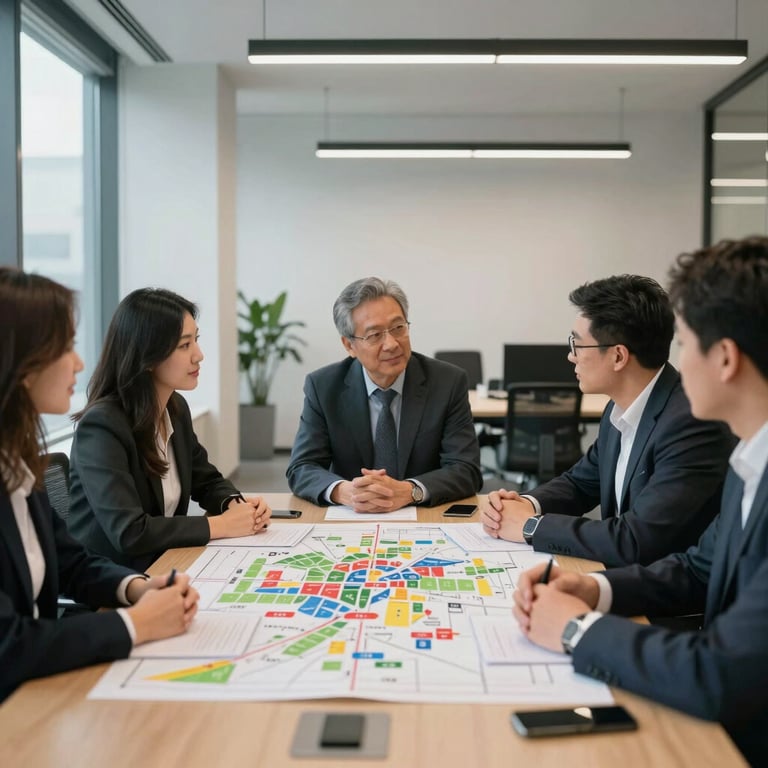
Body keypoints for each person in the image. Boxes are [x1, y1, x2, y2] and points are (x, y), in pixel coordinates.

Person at [512, 237, 768, 765]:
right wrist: (591, 589)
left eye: (687, 342)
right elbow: (699, 568)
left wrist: (574, 627)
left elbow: (720, 672)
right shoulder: (751, 461)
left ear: (724, 358)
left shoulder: (701, 431)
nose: (677, 362)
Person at [0, 268, 199, 701]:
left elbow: (70, 563)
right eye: (64, 347)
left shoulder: (15, 463)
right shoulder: (102, 422)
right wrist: (136, 624)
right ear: (17, 363)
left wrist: (138, 588)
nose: (79, 362)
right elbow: (7, 644)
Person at [481, 274, 733, 566]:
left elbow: (636, 539)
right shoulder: (620, 408)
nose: (570, 357)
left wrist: (530, 526)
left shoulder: (692, 423)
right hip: (620, 573)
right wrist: (525, 504)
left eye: (577, 345)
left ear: (618, 357)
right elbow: (580, 483)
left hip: (660, 597)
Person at [68, 288, 271, 572]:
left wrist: (234, 504)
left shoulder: (175, 408)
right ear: (147, 356)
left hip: (167, 564)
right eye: (184, 345)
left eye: (196, 341)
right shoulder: (102, 426)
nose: (199, 355)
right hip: (117, 582)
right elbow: (130, 532)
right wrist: (220, 525)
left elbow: (208, 481)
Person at [287, 277, 482, 511]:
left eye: (398, 328)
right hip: (350, 520)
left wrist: (411, 491)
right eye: (374, 335)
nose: (391, 344)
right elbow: (301, 467)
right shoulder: (324, 387)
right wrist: (344, 492)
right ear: (349, 345)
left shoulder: (447, 382)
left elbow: (466, 469)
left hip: (423, 517)